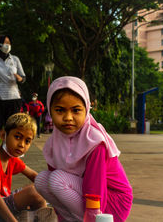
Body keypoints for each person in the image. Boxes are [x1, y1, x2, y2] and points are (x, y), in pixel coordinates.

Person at [34, 76, 133, 222]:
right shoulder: (54, 142)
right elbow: (56, 194)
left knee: (57, 179)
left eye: (76, 110)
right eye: (60, 110)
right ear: (50, 109)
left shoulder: (94, 141)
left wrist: (95, 217)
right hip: (84, 197)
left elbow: (94, 186)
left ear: (86, 109)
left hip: (111, 202)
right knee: (42, 180)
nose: (68, 117)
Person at [0, 113, 56, 222]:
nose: (21, 144)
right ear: (3, 135)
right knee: (33, 193)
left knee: (37, 190)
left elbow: (35, 176)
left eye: (27, 141)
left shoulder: (12, 158)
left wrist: (55, 193)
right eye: (17, 137)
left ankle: (42, 218)